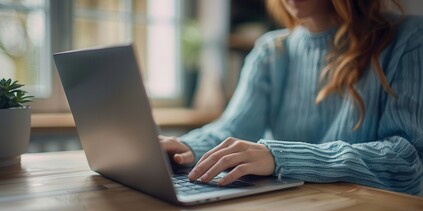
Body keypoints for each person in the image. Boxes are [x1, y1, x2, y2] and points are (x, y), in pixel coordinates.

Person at [160, 0, 423, 195]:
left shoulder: (409, 39)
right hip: (290, 208)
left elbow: (406, 161)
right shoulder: (271, 50)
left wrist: (280, 157)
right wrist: (187, 148)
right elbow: (231, 129)